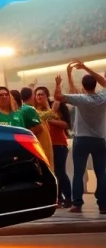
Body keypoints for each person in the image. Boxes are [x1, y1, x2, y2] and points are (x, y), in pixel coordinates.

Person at [54, 60, 106, 214]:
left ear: (83, 86)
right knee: (101, 172)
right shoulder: (103, 98)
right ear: (96, 85)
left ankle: (77, 204)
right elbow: (104, 81)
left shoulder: (81, 99)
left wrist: (58, 83)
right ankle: (103, 205)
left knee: (78, 172)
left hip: (81, 139)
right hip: (100, 140)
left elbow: (58, 96)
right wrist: (86, 68)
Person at [37, 86, 73, 207]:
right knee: (49, 173)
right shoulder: (34, 111)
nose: (39, 97)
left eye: (41, 94)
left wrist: (49, 119)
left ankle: (68, 198)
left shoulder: (55, 109)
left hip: (59, 145)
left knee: (60, 172)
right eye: (37, 94)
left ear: (46, 96)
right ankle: (55, 199)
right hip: (44, 146)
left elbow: (65, 125)